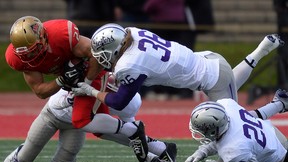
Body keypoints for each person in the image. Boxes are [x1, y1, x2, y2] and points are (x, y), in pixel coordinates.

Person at [5, 16, 151, 162]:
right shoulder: (22, 61)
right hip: (52, 114)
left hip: (75, 116)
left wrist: (86, 85)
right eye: (25, 54)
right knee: (25, 158)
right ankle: (152, 148)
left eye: (33, 50)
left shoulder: (62, 36)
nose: (30, 56)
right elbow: (40, 92)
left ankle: (155, 151)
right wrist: (62, 81)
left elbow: (95, 53)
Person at [71, 23, 284, 118]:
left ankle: (279, 104)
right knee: (230, 86)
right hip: (209, 59)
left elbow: (119, 101)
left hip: (213, 76)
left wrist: (89, 91)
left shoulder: (129, 64)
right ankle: (260, 51)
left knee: (235, 125)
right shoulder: (132, 33)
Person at [2, 85, 177, 162]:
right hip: (52, 115)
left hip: (77, 124)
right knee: (26, 158)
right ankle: (20, 152)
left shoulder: (127, 102)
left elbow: (133, 136)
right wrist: (70, 100)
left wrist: (149, 158)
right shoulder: (90, 82)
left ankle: (159, 150)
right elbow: (55, 102)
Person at [183, 89, 288, 162]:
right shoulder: (226, 105)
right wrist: (202, 152)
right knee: (248, 117)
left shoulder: (233, 149)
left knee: (224, 160)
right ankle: (280, 104)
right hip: (271, 131)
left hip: (278, 156)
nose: (199, 132)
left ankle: (280, 104)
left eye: (202, 129)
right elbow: (221, 135)